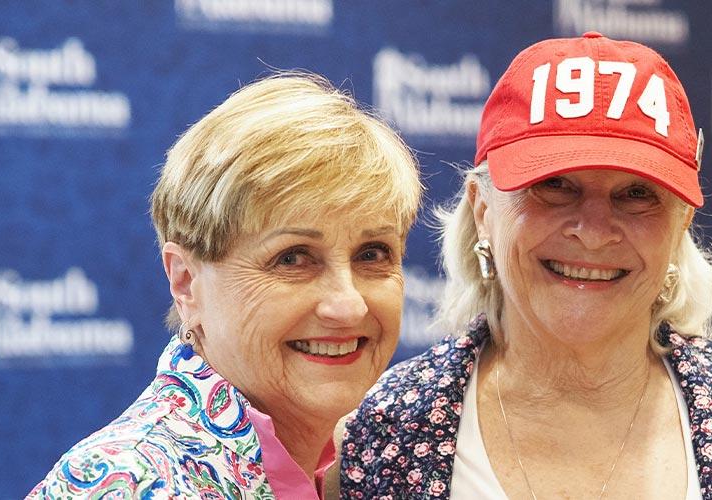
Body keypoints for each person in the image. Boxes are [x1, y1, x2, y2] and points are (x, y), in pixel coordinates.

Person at [337, 33, 712, 499]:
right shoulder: (382, 436)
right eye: (555, 186)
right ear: (483, 210)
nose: (593, 231)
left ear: (681, 223)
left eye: (637, 194)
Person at [27, 73, 422, 499]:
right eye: (292, 258)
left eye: (373, 254)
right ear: (186, 282)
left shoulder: (364, 470)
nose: (348, 306)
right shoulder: (129, 483)